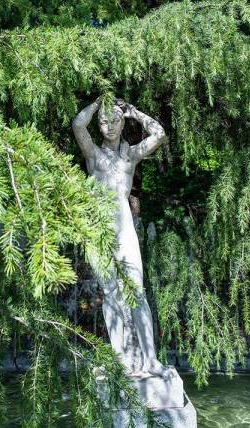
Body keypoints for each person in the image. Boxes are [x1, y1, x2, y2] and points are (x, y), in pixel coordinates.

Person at [73, 96, 171, 378]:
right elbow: (78, 125)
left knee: (136, 293)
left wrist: (134, 112)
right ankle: (119, 359)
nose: (109, 126)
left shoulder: (131, 154)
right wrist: (97, 103)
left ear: (122, 122)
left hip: (124, 228)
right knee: (111, 295)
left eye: (115, 120)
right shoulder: (93, 154)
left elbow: (159, 133)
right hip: (99, 229)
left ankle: (150, 360)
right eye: (104, 122)